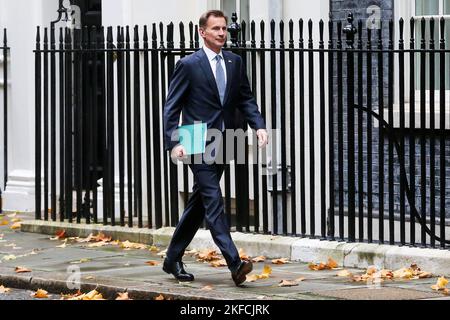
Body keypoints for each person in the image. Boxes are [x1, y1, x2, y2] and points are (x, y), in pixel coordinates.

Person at [162, 10, 268, 286]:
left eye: (224, 29)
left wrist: (258, 125)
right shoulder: (188, 64)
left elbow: (245, 98)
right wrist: (175, 142)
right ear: (202, 32)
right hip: (196, 140)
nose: (222, 33)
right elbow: (171, 107)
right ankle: (234, 263)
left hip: (225, 140)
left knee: (198, 203)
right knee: (213, 201)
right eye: (216, 29)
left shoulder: (235, 62)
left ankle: (172, 258)